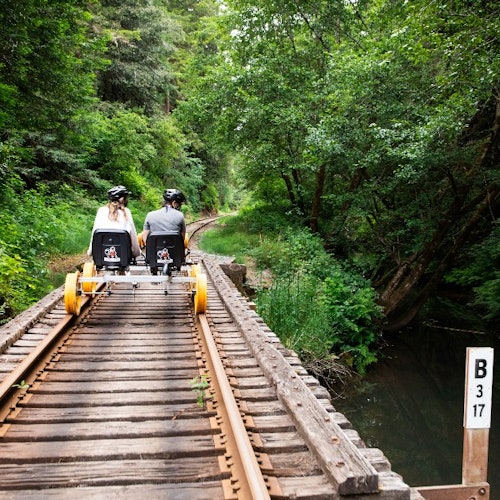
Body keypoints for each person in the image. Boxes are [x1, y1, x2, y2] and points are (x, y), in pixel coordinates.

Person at [88, 185, 141, 258]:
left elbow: (95, 233)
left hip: (102, 254)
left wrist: (91, 251)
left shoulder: (101, 211)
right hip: (122, 255)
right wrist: (136, 252)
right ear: (123, 199)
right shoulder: (126, 212)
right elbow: (133, 236)